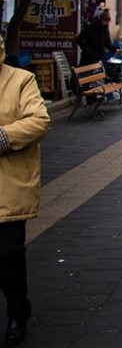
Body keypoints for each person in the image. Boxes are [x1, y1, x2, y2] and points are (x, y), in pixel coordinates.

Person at [0, 35, 51, 346]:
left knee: (7, 254)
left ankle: (18, 308)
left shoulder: (20, 80)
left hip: (8, 186)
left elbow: (38, 121)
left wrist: (3, 137)